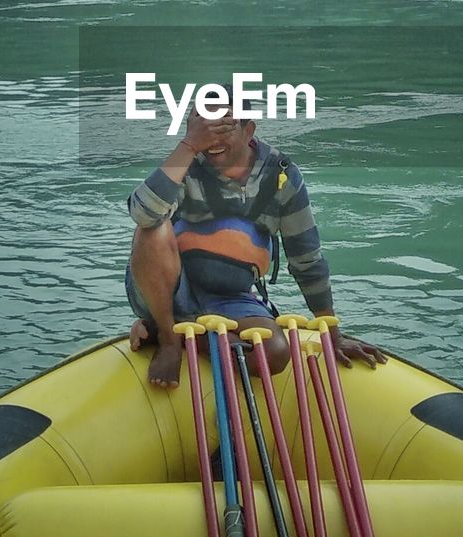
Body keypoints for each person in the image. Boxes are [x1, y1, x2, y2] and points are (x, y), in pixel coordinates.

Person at [126, 93, 386, 389]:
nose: (212, 142)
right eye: (203, 130)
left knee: (275, 352)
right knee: (152, 228)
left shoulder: (281, 177)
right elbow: (142, 213)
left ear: (249, 130)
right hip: (173, 290)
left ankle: (182, 335)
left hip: (231, 296)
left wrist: (333, 332)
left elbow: (306, 258)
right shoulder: (186, 164)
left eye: (223, 129)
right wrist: (188, 146)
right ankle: (170, 340)